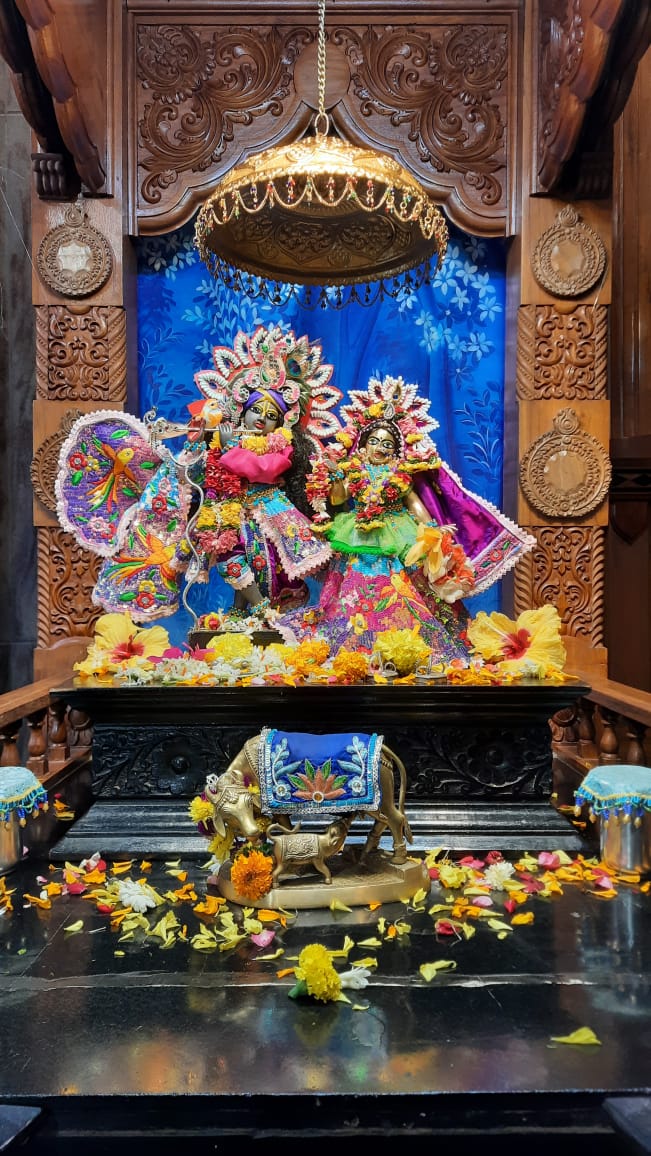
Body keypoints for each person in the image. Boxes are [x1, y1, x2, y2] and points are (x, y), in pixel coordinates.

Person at [54, 324, 343, 624]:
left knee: (264, 564)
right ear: (241, 413)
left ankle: (256, 611)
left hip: (269, 513)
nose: (261, 419)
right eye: (256, 410)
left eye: (271, 416)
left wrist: (228, 449)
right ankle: (251, 609)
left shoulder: (281, 446)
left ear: (281, 423)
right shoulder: (224, 440)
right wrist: (195, 448)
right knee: (229, 557)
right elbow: (193, 471)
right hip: (226, 511)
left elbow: (262, 469)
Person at [282, 373, 536, 661]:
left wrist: (432, 529)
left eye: (387, 444)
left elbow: (414, 504)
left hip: (397, 529)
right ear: (363, 446)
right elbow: (339, 499)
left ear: (395, 451)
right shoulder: (355, 471)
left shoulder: (400, 475)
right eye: (374, 441)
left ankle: (402, 636)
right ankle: (357, 637)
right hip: (357, 531)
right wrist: (337, 476)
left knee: (408, 585)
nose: (380, 447)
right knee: (351, 587)